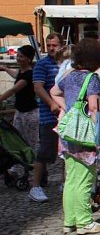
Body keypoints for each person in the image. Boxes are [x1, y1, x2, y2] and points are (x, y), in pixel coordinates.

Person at [51, 38, 100, 234]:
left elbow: (53, 92)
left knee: (71, 179)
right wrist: (99, 134)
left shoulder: (68, 75)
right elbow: (94, 108)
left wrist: (67, 108)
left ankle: (70, 221)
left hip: (67, 134)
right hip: (83, 135)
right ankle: (84, 222)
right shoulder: (91, 78)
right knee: (85, 178)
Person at [0, 45, 45, 201]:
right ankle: (15, 168)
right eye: (17, 56)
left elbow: (13, 90)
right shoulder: (22, 72)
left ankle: (37, 172)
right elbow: (16, 75)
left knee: (33, 143)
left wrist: (0, 99)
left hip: (30, 113)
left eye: (20, 56)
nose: (18, 58)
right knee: (16, 141)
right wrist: (5, 68)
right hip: (19, 112)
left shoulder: (30, 75)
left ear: (28, 58)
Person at [32, 33, 63, 195]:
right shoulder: (42, 65)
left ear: (61, 45)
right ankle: (35, 186)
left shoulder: (66, 63)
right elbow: (38, 87)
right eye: (49, 45)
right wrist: (51, 103)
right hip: (49, 115)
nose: (51, 48)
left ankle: (65, 182)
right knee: (45, 151)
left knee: (67, 151)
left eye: (54, 45)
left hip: (66, 114)